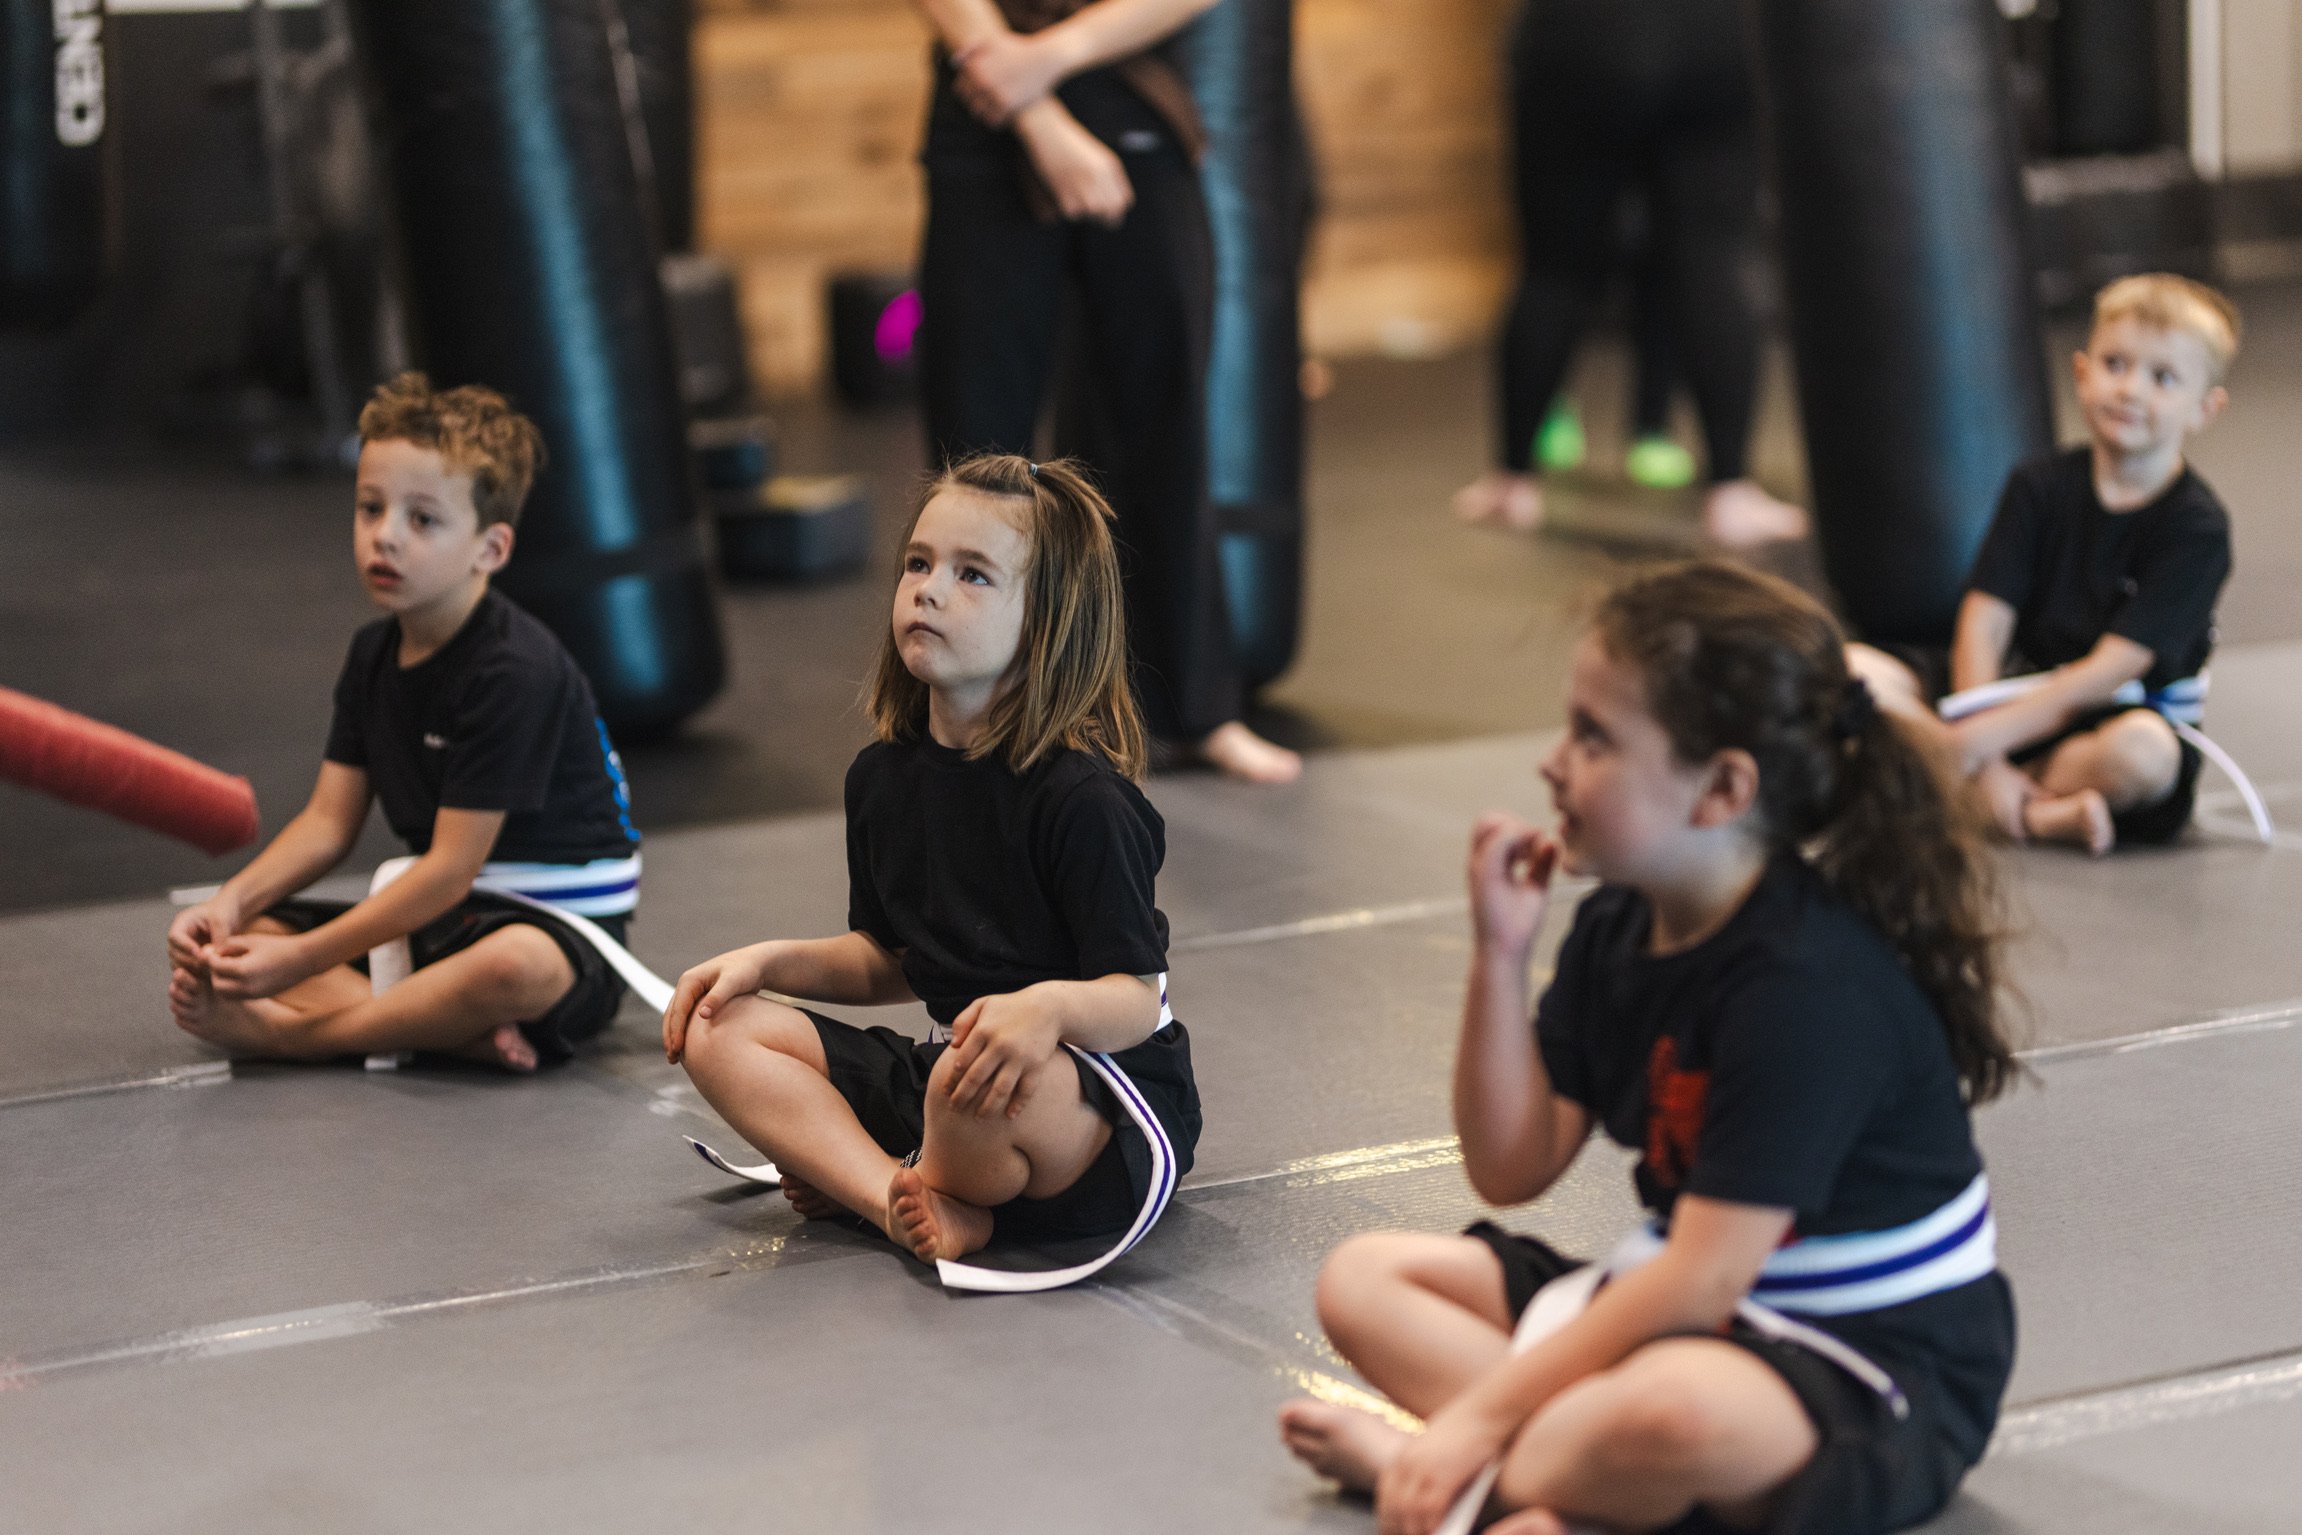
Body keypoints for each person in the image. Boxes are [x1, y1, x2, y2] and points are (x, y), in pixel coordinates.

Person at [1279, 562, 2017, 1535]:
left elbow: (1704, 1276)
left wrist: (1472, 1418)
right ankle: (1560, 1491)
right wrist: (1499, 953)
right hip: (1690, 1308)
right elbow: (1510, 1165)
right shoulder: (1624, 924)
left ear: (1719, 788)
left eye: (1594, 737)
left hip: (1865, 1359)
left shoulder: (1807, 986)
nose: (1553, 762)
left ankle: (1473, 1473)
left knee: (1674, 1411)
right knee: (1365, 1278)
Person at [664, 456, 1200, 1280]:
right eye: (919, 563)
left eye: (973, 574)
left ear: (1047, 620)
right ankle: (898, 1195)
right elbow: (892, 959)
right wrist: (764, 962)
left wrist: (1047, 1012)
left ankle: (888, 1177)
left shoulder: (1082, 801)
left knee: (965, 1077)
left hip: (1085, 1098)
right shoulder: (881, 780)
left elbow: (1135, 998)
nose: (929, 589)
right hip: (951, 1079)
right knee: (714, 1026)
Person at [165, 374, 642, 1071]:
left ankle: (298, 1036)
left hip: (560, 931)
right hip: (444, 919)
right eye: (370, 508)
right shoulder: (372, 655)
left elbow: (449, 870)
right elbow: (328, 823)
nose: (384, 536)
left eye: (422, 519)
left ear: (491, 549)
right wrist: (229, 906)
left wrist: (298, 961)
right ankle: (438, 1025)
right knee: (231, 955)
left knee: (509, 968)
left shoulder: (515, 670)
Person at [905, 0, 1301, 784]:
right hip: (983, 97)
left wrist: (1052, 56)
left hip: (1132, 94)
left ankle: (1199, 709)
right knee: (976, 442)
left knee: (1166, 422)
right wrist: (1036, 111)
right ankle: (968, 716)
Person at [1849, 274, 2240, 855]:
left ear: (2204, 409)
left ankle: (1950, 783)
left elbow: (2108, 671)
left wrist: (1971, 745)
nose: (2130, 390)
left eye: (2161, 378)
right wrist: (1982, 746)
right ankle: (2033, 814)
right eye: (2115, 364)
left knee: (2144, 755)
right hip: (2011, 707)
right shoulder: (2038, 486)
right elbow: (1984, 621)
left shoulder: (2196, 529)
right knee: (1855, 668)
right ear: (2081, 373)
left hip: (2106, 722)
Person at [1452, 0, 1807, 548]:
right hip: (1710, 35)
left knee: (1553, 267)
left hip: (1582, 35)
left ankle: (1512, 483)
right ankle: (1731, 492)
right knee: (1715, 258)